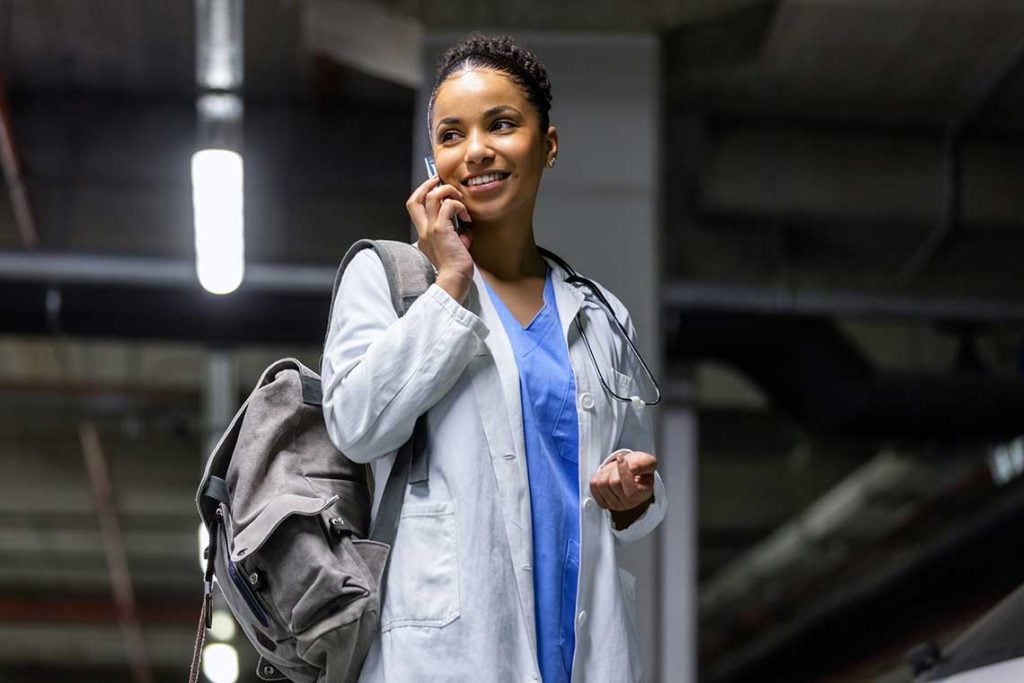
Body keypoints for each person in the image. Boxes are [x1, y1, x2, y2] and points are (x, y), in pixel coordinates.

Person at [322, 33, 667, 683]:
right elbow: (356, 423)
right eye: (451, 135)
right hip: (447, 658)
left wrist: (631, 495)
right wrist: (450, 283)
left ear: (548, 144)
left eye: (502, 124)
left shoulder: (600, 314)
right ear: (433, 162)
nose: (475, 150)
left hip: (585, 655)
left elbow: (637, 494)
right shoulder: (389, 279)